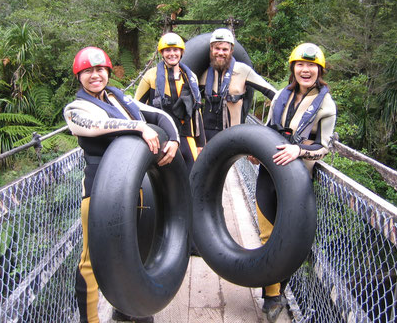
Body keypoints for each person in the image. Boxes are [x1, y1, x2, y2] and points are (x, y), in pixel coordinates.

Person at [64, 46, 180, 323]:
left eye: (100, 70)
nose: (95, 76)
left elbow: (157, 115)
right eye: (88, 71)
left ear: (107, 71)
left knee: (136, 249)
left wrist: (173, 138)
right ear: (79, 76)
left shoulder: (118, 96)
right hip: (99, 192)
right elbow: (94, 125)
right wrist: (138, 127)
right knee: (92, 261)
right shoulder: (75, 108)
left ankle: (130, 308)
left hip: (135, 186)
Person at [253, 43, 336, 322]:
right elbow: (267, 131)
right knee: (266, 234)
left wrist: (298, 150)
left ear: (319, 71)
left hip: (298, 180)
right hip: (268, 172)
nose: (305, 70)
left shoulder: (326, 105)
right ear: (293, 68)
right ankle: (272, 297)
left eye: (311, 66)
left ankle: (275, 291)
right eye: (300, 65)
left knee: (286, 238)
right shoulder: (280, 96)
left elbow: (324, 147)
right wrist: (254, 152)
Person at [135, 32, 205, 174]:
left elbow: (196, 113)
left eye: (175, 50)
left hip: (187, 135)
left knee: (193, 175)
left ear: (181, 52)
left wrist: (201, 143)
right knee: (164, 178)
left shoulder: (191, 77)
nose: (172, 54)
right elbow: (136, 108)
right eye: (168, 50)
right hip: (162, 134)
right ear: (162, 53)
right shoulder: (150, 76)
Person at [199, 28, 277, 141]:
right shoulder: (204, 73)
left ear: (231, 50)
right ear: (211, 49)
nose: (220, 53)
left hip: (232, 136)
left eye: (225, 49)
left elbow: (275, 94)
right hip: (206, 136)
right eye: (217, 48)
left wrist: (269, 126)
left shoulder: (243, 70)